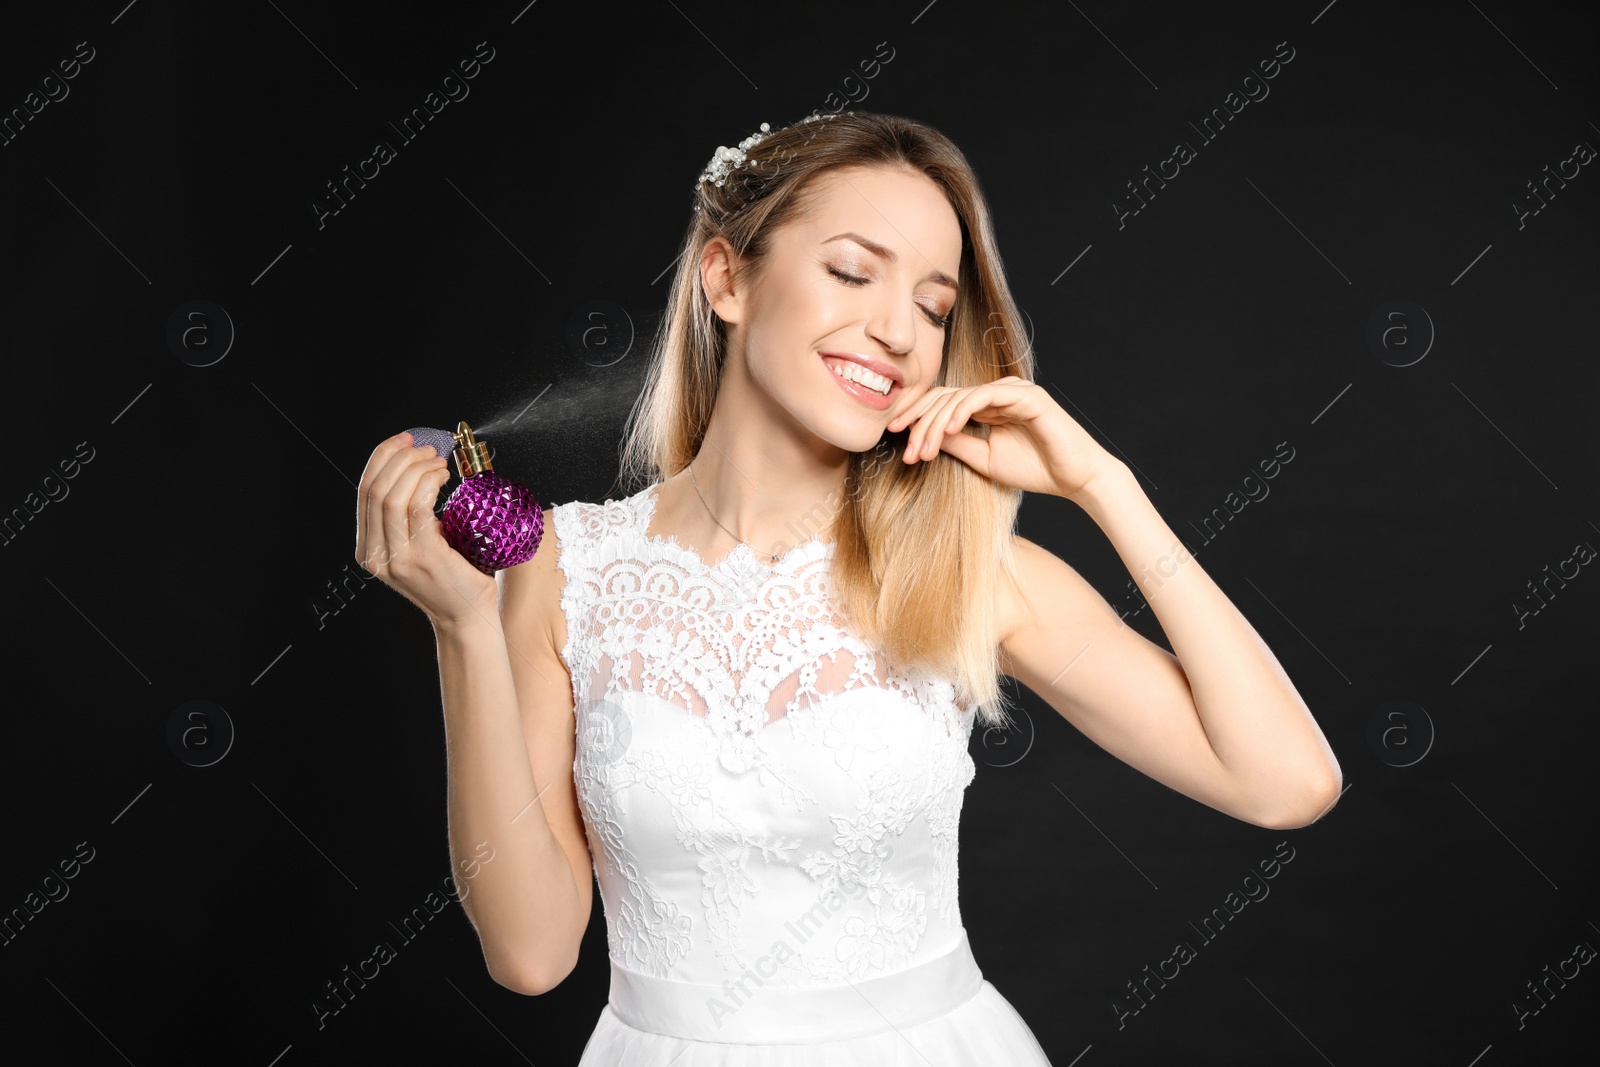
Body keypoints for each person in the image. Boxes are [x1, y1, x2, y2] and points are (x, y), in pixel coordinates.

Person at [354, 110, 1343, 1065]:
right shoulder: (564, 569)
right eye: (851, 272)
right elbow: (530, 954)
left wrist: (1103, 486)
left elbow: (1286, 782)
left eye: (931, 305)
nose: (897, 331)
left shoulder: (964, 571)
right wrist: (465, 631)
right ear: (726, 278)